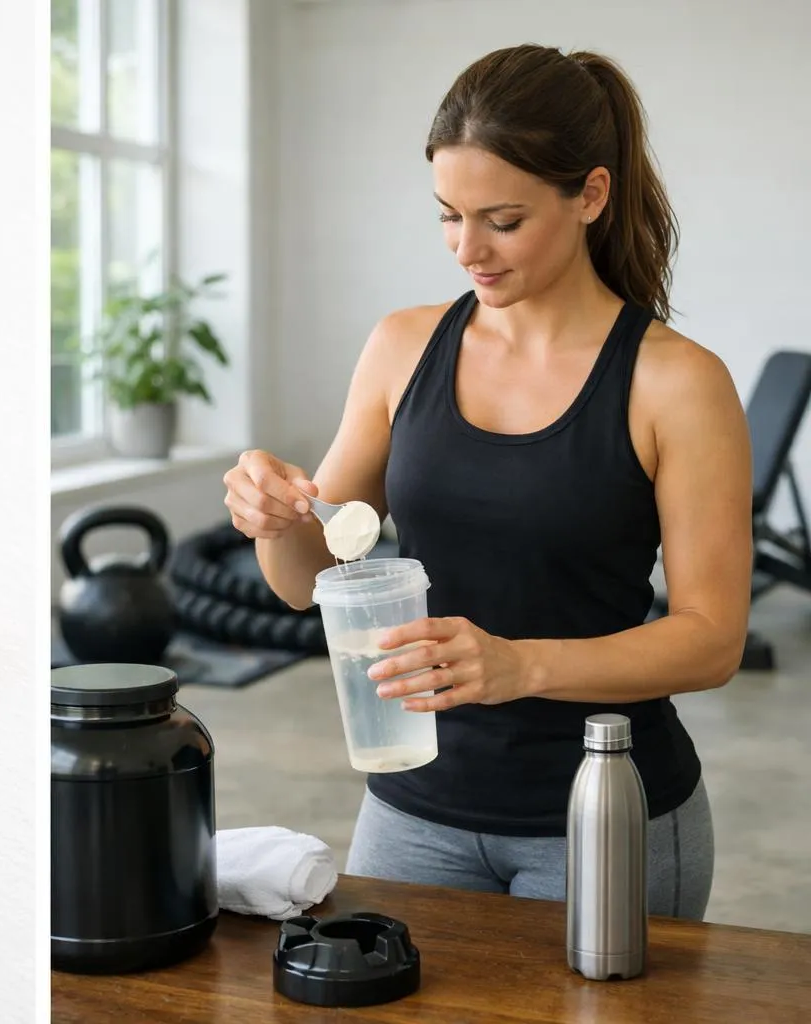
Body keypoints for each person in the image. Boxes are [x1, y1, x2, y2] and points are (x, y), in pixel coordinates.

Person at [221, 43, 752, 921]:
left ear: (590, 194)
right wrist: (273, 515)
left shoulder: (676, 382)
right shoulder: (403, 346)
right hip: (409, 807)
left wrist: (517, 665)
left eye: (503, 220)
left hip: (601, 813)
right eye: (447, 216)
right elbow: (303, 582)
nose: (469, 249)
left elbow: (712, 640)